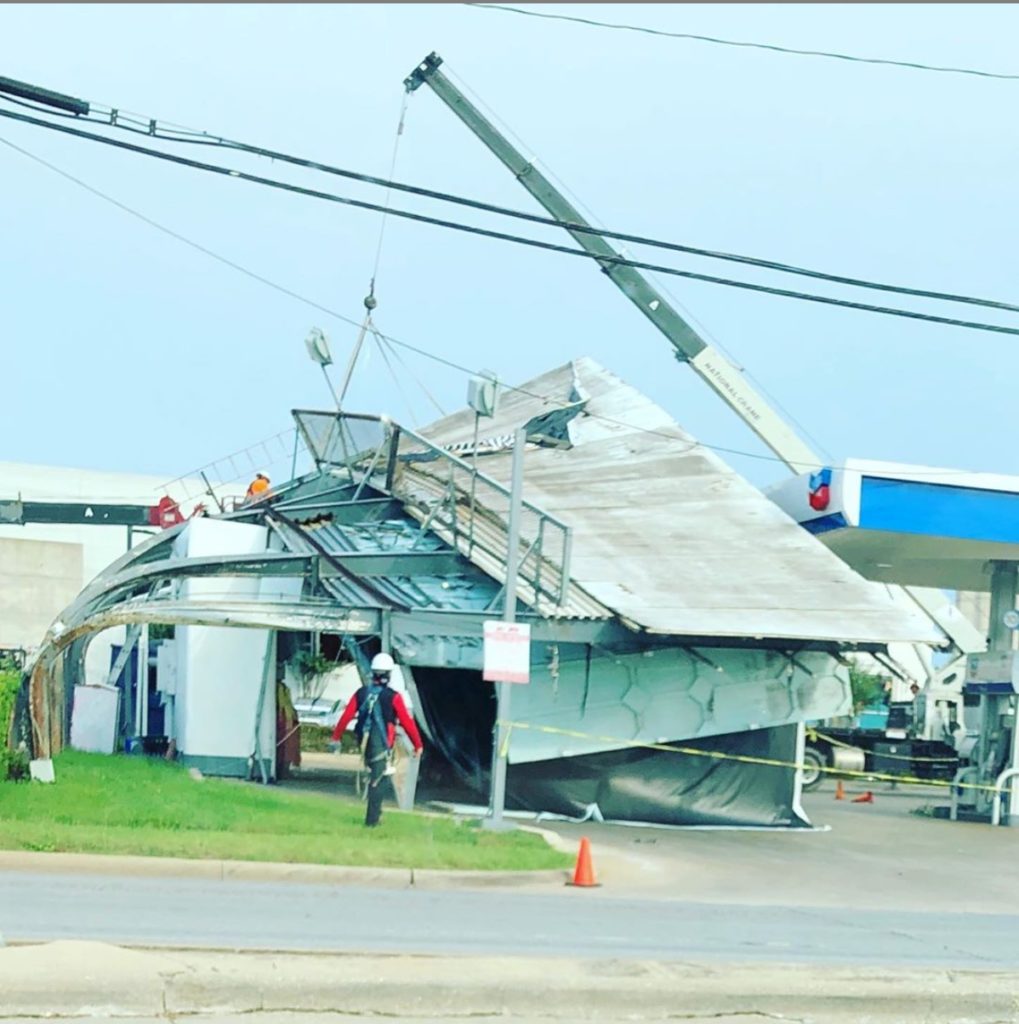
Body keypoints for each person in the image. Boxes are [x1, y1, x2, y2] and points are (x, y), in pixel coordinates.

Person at [331, 653, 423, 827]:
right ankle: (372, 820)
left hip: (364, 741)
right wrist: (418, 744)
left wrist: (336, 737)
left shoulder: (361, 693)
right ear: (388, 675)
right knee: (378, 779)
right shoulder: (393, 697)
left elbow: (346, 716)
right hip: (380, 742)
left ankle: (376, 814)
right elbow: (406, 722)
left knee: (377, 775)